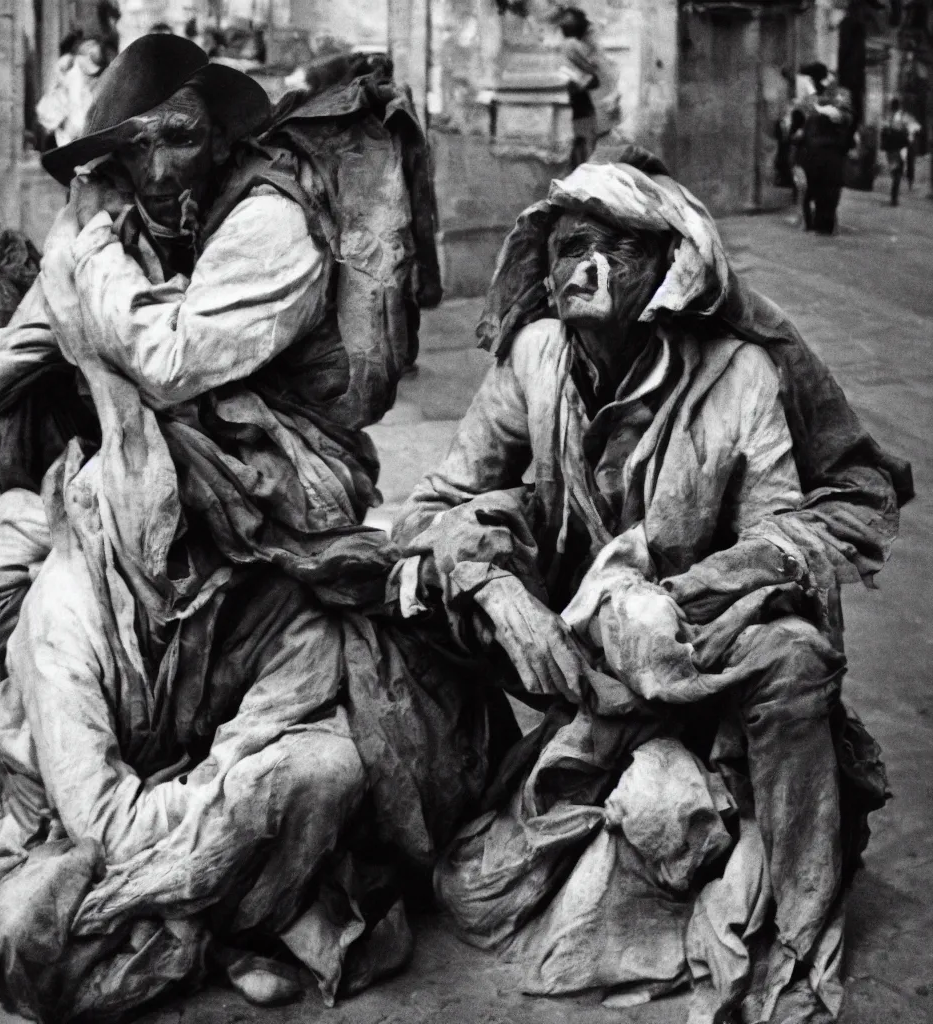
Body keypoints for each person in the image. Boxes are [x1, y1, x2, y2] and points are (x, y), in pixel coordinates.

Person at [0, 34, 484, 1023]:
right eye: (134, 149)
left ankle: (212, 909)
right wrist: (60, 304)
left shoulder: (271, 227)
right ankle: (212, 909)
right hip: (146, 532)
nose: (156, 167)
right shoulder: (124, 240)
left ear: (222, 133)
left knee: (327, 756)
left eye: (178, 139)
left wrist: (89, 265)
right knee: (52, 719)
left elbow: (174, 359)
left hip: (273, 518)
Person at [389, 151, 910, 1022]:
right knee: (477, 881)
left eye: (606, 248)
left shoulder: (737, 373)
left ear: (664, 262)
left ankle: (798, 928)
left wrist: (673, 600)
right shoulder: (535, 357)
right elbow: (436, 503)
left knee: (794, 657)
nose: (577, 270)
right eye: (562, 250)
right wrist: (495, 587)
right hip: (579, 651)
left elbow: (782, 531)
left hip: (694, 640)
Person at [794, 62, 854, 233]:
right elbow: (802, 122)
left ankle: (826, 224)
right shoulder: (808, 99)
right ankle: (818, 222)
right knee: (814, 190)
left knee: (829, 192)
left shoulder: (840, 95)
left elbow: (845, 117)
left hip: (831, 152)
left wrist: (827, 110)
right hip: (812, 153)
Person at [555, 6, 601, 169]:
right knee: (586, 142)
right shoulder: (573, 45)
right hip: (581, 103)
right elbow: (593, 70)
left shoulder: (565, 45)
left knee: (580, 143)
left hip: (576, 102)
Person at [881, 98, 910, 205]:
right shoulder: (903, 117)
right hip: (901, 147)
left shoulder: (888, 118)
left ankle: (894, 197)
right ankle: (894, 197)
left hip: (892, 148)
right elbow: (908, 131)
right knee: (898, 171)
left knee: (895, 171)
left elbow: (884, 132)